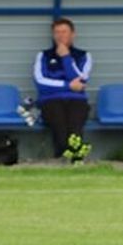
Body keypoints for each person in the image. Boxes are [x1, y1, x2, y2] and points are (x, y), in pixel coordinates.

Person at [34, 18, 92, 162]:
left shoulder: (84, 56)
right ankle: (63, 156)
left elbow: (80, 80)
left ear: (73, 34)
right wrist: (67, 86)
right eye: (57, 32)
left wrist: (66, 57)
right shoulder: (43, 56)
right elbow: (40, 82)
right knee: (58, 121)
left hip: (76, 100)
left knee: (75, 122)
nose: (60, 36)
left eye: (64, 32)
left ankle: (77, 157)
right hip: (50, 100)